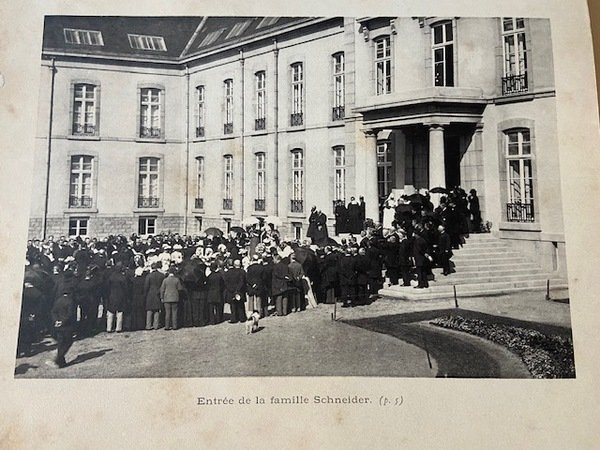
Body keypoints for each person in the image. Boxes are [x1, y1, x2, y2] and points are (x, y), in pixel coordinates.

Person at [49, 289, 77, 368]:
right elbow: (70, 314)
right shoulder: (71, 301)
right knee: (68, 341)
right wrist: (62, 321)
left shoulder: (58, 300)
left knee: (61, 343)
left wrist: (57, 320)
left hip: (58, 326)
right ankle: (59, 359)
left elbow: (53, 311)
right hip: (67, 326)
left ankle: (61, 362)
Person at [223, 260, 247, 324]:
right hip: (240, 290)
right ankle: (242, 317)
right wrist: (237, 289)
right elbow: (242, 281)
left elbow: (226, 283)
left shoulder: (227, 273)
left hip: (231, 291)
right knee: (240, 304)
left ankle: (234, 318)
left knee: (233, 305)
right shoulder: (241, 272)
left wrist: (231, 289)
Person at [160, 266, 184, 330]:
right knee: (174, 312)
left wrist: (162, 297)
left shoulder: (165, 280)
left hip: (167, 298)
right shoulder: (177, 280)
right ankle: (174, 326)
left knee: (167, 313)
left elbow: (162, 289)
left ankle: (167, 326)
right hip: (175, 297)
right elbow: (180, 288)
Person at [144, 262, 164, 330]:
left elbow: (146, 286)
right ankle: (156, 325)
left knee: (149, 310)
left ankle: (148, 325)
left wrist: (145, 294)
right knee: (157, 310)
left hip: (150, 294)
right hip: (158, 293)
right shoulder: (161, 275)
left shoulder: (148, 276)